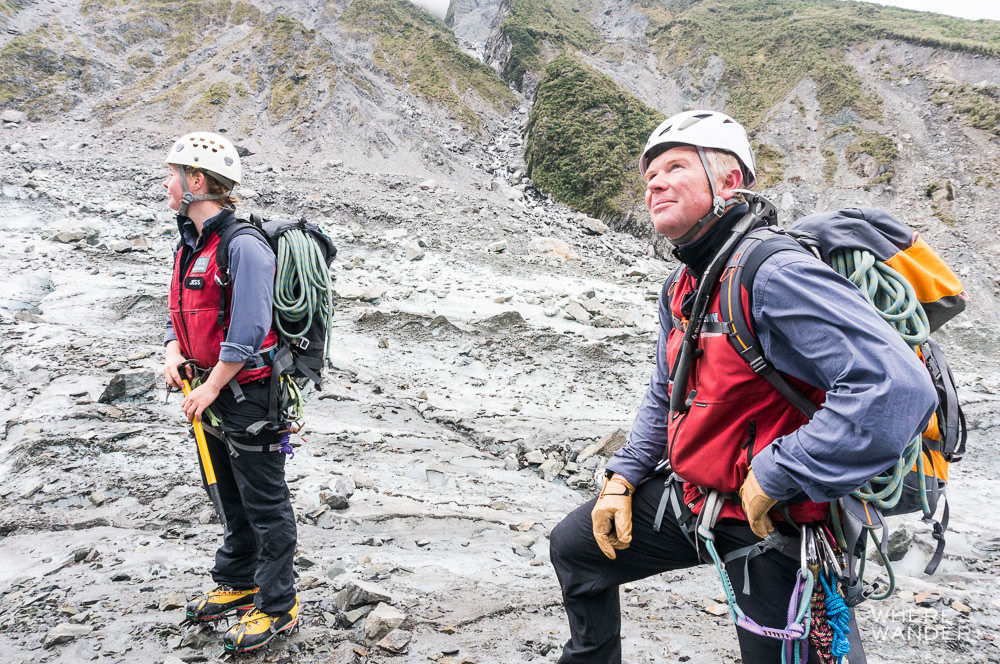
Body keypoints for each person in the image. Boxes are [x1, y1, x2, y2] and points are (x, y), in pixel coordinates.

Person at [548, 110, 937, 663]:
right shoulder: (684, 285)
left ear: (729, 181)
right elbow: (667, 390)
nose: (654, 183)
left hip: (774, 519)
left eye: (675, 167)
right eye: (649, 175)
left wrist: (782, 471)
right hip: (699, 499)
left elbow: (896, 386)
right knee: (578, 550)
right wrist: (624, 475)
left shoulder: (774, 272)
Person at [161, 132, 299, 653]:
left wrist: (211, 386)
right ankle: (239, 580)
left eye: (172, 174)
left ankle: (279, 606)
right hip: (208, 395)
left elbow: (248, 326)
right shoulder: (188, 244)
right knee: (227, 495)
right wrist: (173, 353)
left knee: (265, 503)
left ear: (197, 182)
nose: (166, 183)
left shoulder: (243, 246)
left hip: (248, 399)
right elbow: (181, 316)